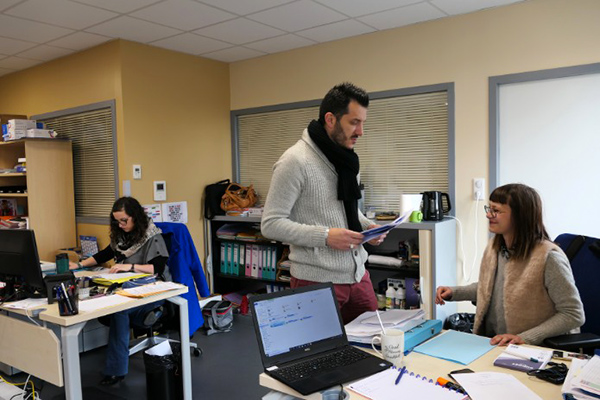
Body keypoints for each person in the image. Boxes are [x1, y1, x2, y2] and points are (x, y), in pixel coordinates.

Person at [261, 82, 386, 324]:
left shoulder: (347, 159)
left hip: (358, 275)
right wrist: (326, 236)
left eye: (363, 123)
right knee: (320, 355)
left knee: (373, 350)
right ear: (330, 119)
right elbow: (271, 224)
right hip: (316, 281)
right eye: (354, 122)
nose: (360, 131)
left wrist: (367, 226)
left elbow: (345, 210)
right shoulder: (294, 161)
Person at [435, 183, 584, 346]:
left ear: (520, 216)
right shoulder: (494, 247)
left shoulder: (549, 257)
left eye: (496, 211)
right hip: (496, 343)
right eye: (489, 208)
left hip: (535, 348)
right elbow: (489, 288)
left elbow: (573, 314)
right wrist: (454, 292)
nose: (489, 215)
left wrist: (525, 338)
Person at [70, 197, 169, 385]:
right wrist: (79, 265)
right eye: (117, 221)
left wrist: (130, 267)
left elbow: (157, 268)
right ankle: (116, 363)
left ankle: (116, 371)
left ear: (135, 217)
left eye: (124, 220)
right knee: (105, 300)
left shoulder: (153, 236)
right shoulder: (121, 237)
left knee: (119, 310)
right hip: (127, 287)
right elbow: (105, 254)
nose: (120, 224)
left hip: (152, 289)